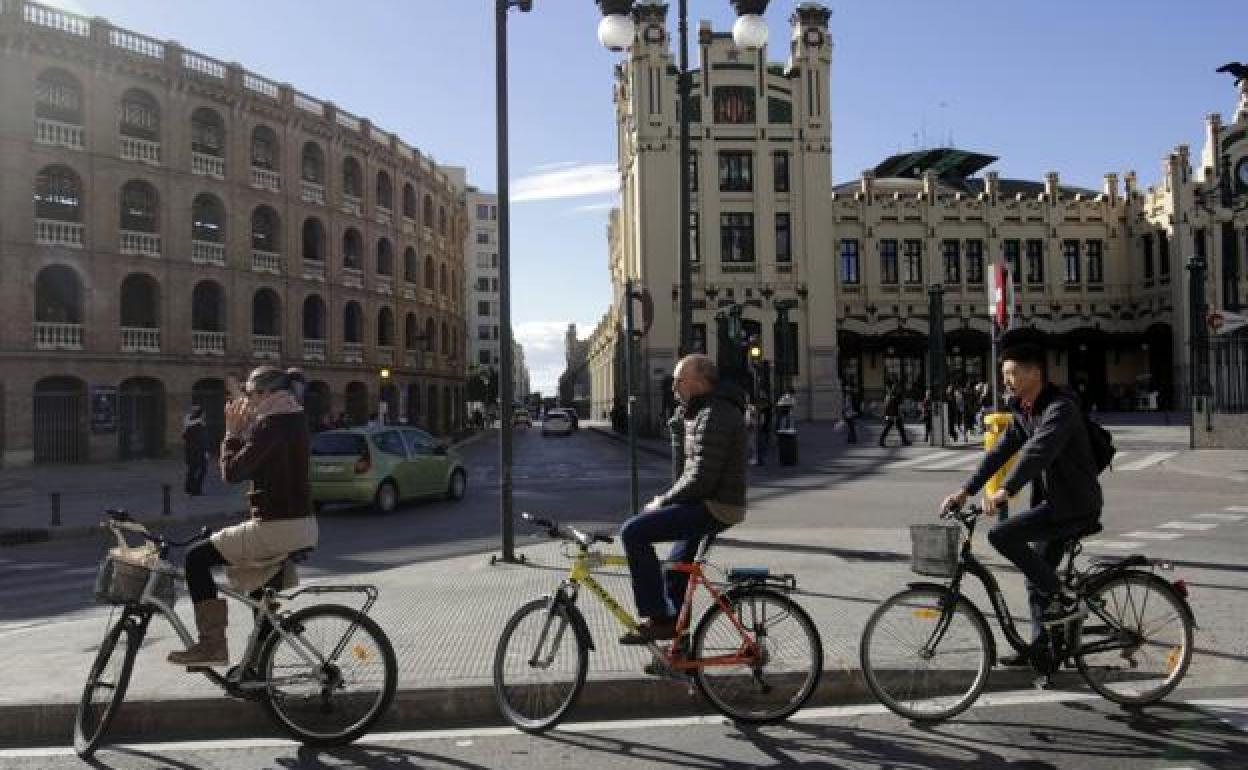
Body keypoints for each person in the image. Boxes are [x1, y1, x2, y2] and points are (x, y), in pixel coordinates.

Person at [941, 343, 1103, 666]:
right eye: (1004, 375)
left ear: (1035, 373)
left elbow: (1037, 453)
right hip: (1056, 505)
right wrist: (965, 491)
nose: (1006, 381)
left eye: (1012, 373)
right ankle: (1042, 651)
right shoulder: (1025, 410)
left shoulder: (1060, 408)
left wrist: (1006, 490)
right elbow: (998, 453)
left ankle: (1064, 599)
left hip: (1074, 506)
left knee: (1002, 535)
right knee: (1035, 575)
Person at [168, 366, 318, 668]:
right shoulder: (293, 418)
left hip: (277, 527)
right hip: (300, 524)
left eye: (250, 395)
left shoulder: (272, 425)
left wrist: (232, 434)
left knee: (196, 558)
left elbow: (232, 472)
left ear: (266, 394)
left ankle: (212, 645)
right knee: (259, 594)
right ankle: (258, 668)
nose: (246, 401)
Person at [618, 354, 746, 644]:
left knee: (633, 532)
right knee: (676, 572)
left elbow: (701, 478)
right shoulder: (702, 411)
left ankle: (659, 618)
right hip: (707, 501)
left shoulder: (715, 414)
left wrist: (663, 501)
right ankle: (680, 650)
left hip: (716, 506)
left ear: (700, 382)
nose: (673, 385)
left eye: (680, 379)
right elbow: (690, 475)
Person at [181, 406, 209, 496]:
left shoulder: (189, 425)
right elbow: (202, 440)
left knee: (192, 470)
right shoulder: (199, 426)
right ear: (200, 415)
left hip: (190, 452)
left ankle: (188, 488)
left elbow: (185, 437)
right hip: (198, 453)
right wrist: (205, 451)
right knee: (202, 470)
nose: (205, 415)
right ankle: (196, 489)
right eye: (203, 414)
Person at [756, 396, 773, 465]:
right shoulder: (769, 410)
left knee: (761, 445)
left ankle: (761, 460)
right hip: (767, 429)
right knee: (764, 445)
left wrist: (759, 426)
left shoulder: (763, 411)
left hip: (763, 429)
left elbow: (762, 421)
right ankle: (762, 459)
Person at [743, 399, 759, 466]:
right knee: (748, 444)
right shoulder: (747, 410)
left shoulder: (751, 408)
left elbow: (754, 417)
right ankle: (750, 459)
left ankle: (754, 459)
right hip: (747, 428)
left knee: (752, 444)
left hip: (751, 428)